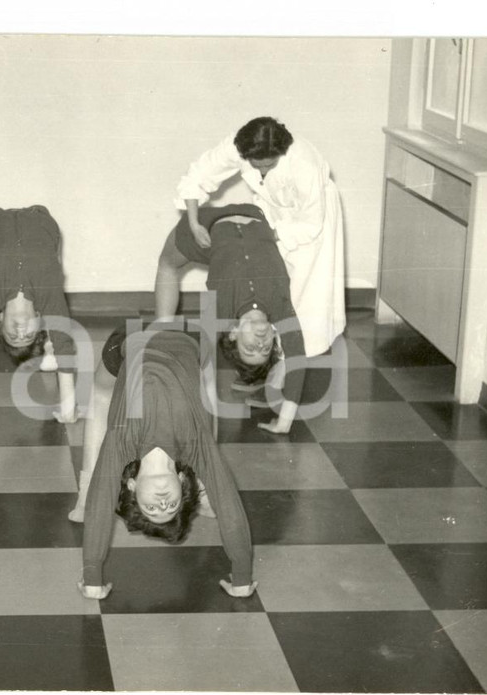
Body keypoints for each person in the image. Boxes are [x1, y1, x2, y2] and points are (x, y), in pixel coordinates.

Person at [70, 323, 256, 601]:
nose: (162, 501)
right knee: (206, 407)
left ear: (132, 486)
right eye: (171, 505)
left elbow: (102, 500)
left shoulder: (122, 442)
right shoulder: (194, 445)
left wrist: (92, 578)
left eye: (152, 507)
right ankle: (205, 489)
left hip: (132, 334)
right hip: (188, 337)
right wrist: (241, 578)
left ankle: (81, 491)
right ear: (182, 484)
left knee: (98, 394)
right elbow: (229, 501)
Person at [169, 117, 345, 358]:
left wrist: (268, 235)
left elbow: (311, 222)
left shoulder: (304, 163)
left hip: (312, 219)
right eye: (256, 165)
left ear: (281, 153)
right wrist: (193, 222)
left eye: (269, 165)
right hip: (275, 214)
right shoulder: (236, 146)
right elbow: (199, 174)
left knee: (305, 299)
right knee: (272, 291)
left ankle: (303, 372)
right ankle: (268, 366)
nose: (262, 171)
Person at [154, 203, 308, 434]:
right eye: (265, 350)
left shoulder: (221, 311)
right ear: (274, 336)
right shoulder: (281, 308)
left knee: (167, 263)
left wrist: (210, 426)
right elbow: (297, 357)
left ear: (233, 333)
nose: (260, 344)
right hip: (252, 214)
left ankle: (161, 333)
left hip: (206, 228)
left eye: (250, 349)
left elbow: (205, 366)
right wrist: (284, 423)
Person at [0, 205, 78, 424]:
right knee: (54, 268)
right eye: (28, 337)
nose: (21, 333)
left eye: (13, 338)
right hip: (40, 220)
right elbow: (65, 341)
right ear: (40, 321)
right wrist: (68, 411)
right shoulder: (47, 290)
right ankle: (48, 346)